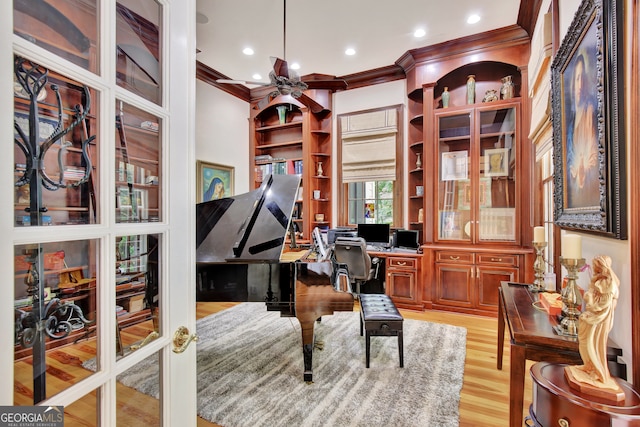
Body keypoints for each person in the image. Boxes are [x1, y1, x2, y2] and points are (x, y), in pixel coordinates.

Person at [566, 255, 622, 391]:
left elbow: (605, 304)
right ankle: (589, 366)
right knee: (585, 342)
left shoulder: (609, 285)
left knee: (594, 344)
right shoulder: (598, 280)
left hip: (598, 319)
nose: (595, 269)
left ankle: (597, 370)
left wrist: (591, 305)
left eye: (597, 266)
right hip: (592, 316)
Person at [567, 53, 599, 208]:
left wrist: (583, 169)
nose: (580, 85)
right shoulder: (571, 122)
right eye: (577, 78)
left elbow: (595, 156)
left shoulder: (589, 111)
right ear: (573, 82)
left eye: (583, 79)